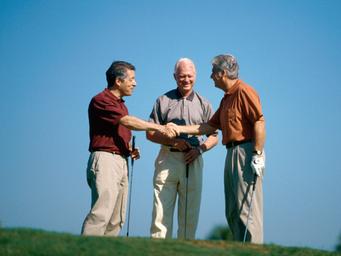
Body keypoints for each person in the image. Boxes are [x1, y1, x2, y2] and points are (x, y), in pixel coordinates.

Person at [168, 54, 266, 243]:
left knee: (247, 209)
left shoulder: (244, 91)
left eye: (213, 72)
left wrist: (258, 154)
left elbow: (259, 121)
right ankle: (240, 249)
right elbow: (208, 127)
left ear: (222, 73)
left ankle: (253, 250)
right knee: (233, 209)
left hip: (247, 152)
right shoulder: (226, 98)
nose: (210, 76)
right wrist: (179, 128)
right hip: (231, 152)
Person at [81, 60, 176, 236]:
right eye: (131, 79)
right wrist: (159, 127)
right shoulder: (101, 100)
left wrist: (128, 149)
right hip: (106, 161)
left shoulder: (121, 104)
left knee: (117, 219)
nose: (135, 83)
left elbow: (118, 129)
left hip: (120, 160)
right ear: (118, 81)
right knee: (101, 214)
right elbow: (127, 121)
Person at [147, 58, 218, 239]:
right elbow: (150, 133)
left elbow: (214, 136)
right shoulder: (163, 101)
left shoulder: (204, 104)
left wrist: (200, 149)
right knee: (160, 215)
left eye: (189, 76)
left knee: (189, 217)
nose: (186, 80)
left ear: (195, 76)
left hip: (193, 159)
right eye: (181, 76)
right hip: (167, 159)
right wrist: (173, 142)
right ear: (174, 77)